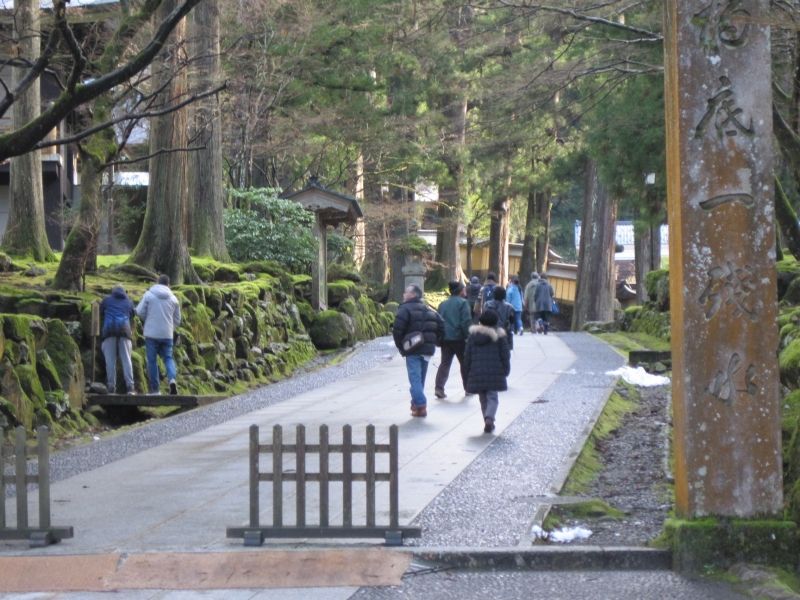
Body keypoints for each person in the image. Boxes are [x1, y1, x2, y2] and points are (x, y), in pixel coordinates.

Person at [392, 284, 444, 417]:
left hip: (412, 349)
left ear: (413, 295)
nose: (403, 295)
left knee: (415, 379)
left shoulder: (404, 309)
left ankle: (421, 404)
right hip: (427, 349)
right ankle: (416, 406)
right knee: (420, 380)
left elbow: (397, 330)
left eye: (406, 292)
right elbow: (441, 325)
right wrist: (436, 341)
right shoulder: (429, 310)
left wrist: (401, 347)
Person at [464, 309, 511, 434]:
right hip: (495, 372)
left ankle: (487, 419)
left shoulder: (473, 336)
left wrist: (466, 372)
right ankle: (490, 418)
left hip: (477, 371)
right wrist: (506, 369)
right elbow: (505, 355)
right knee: (492, 397)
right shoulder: (500, 336)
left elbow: (467, 356)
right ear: (496, 321)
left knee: (482, 397)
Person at [136, 274, 181, 395]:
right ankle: (172, 379)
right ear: (168, 284)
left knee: (152, 361)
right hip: (167, 334)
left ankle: (155, 390)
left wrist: (148, 319)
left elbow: (139, 311)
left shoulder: (149, 295)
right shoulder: (173, 299)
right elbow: (177, 320)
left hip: (151, 334)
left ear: (157, 282)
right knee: (168, 358)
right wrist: (170, 327)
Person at [434, 280, 472, 399]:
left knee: (445, 363)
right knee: (464, 363)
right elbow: (465, 322)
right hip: (459, 338)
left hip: (445, 338)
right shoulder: (463, 303)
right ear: (461, 291)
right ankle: (468, 388)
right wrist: (468, 336)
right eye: (464, 289)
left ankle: (439, 388)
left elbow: (438, 321)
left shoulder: (443, 304)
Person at [99, 285, 136, 395]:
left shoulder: (106, 300)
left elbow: (101, 311)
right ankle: (130, 387)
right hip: (124, 331)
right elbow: (132, 315)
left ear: (112, 292)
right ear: (125, 292)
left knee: (110, 361)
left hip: (109, 331)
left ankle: (111, 387)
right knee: (126, 360)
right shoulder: (129, 302)